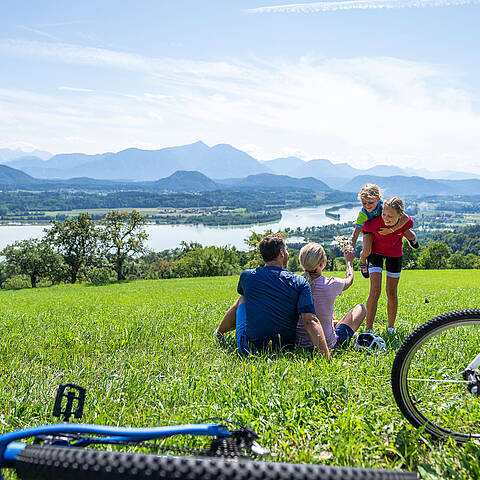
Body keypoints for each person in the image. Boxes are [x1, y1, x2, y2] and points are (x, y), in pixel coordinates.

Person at [214, 233, 330, 358]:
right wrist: (326, 357)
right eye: (286, 250)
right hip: (285, 347)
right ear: (281, 253)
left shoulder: (247, 276)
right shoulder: (300, 282)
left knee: (243, 298)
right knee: (243, 298)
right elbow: (310, 321)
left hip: (249, 348)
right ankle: (218, 333)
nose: (287, 254)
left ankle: (218, 333)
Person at [296, 242, 366, 351]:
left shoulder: (295, 284)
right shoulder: (331, 284)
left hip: (299, 345)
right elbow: (350, 279)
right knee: (361, 309)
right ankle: (334, 326)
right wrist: (349, 261)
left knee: (329, 316)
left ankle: (333, 324)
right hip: (328, 346)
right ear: (322, 263)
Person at [361, 196, 413, 334]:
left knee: (391, 292)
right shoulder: (375, 222)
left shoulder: (404, 222)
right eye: (384, 214)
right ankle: (369, 329)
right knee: (375, 291)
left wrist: (393, 230)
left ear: (400, 215)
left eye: (390, 216)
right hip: (375, 254)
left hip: (395, 254)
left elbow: (410, 222)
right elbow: (363, 228)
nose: (386, 218)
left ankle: (391, 328)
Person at [350, 184, 418, 278]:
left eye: (370, 202)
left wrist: (392, 230)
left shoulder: (385, 205)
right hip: (370, 230)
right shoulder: (363, 213)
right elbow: (356, 232)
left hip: (388, 226)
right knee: (366, 251)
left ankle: (412, 238)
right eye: (364, 203)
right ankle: (363, 261)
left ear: (378, 199)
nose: (367, 206)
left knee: (403, 228)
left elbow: (405, 217)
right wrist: (350, 247)